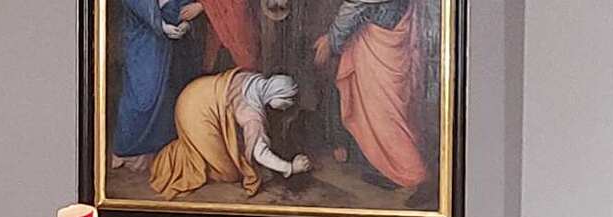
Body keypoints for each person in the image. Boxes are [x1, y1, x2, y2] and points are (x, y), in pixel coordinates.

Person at [313, 0, 428, 189]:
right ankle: (383, 163)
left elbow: (356, 4)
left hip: (382, 41)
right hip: (392, 32)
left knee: (382, 110)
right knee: (383, 109)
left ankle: (410, 171)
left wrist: (332, 41)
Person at [149, 71, 312, 199]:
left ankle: (188, 152)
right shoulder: (252, 115)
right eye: (288, 101)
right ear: (277, 95)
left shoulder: (253, 81)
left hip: (192, 92)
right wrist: (290, 167)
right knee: (228, 173)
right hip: (195, 112)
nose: (288, 106)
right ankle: (169, 163)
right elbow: (259, 153)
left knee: (229, 154)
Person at [112, 0, 202, 169]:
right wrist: (162, 26)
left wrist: (186, 25)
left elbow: (185, 7)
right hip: (143, 42)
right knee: (142, 95)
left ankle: (158, 153)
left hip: (171, 47)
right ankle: (127, 151)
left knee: (167, 96)